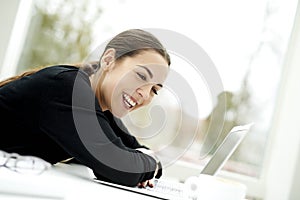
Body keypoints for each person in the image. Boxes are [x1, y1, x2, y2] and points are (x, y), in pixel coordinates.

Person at [0, 29, 171, 188]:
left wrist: (148, 163)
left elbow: (136, 150)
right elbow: (119, 167)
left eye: (154, 90)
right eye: (141, 76)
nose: (145, 94)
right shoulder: (68, 89)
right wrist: (150, 164)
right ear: (108, 60)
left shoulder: (101, 109)